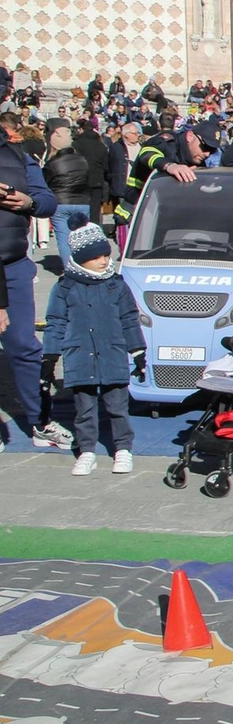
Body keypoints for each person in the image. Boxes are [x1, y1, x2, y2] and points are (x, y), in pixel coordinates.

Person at [42, 215, 146, 476]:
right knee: (84, 409)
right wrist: (49, 358)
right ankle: (87, 450)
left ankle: (123, 449)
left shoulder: (116, 285)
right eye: (96, 256)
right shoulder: (65, 286)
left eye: (106, 255)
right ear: (79, 257)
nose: (104, 261)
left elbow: (129, 319)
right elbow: (56, 322)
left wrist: (138, 351)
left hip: (112, 353)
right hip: (80, 356)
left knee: (117, 407)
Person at [0, 112, 72, 450]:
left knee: (24, 345)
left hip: (12, 263)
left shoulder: (18, 157)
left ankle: (40, 421)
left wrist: (27, 202)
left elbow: (47, 201)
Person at [39, 118, 93, 263]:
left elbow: (46, 182)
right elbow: (87, 179)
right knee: (81, 237)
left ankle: (69, 268)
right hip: (82, 201)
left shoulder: (52, 163)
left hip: (61, 202)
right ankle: (84, 264)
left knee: (64, 238)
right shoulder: (82, 160)